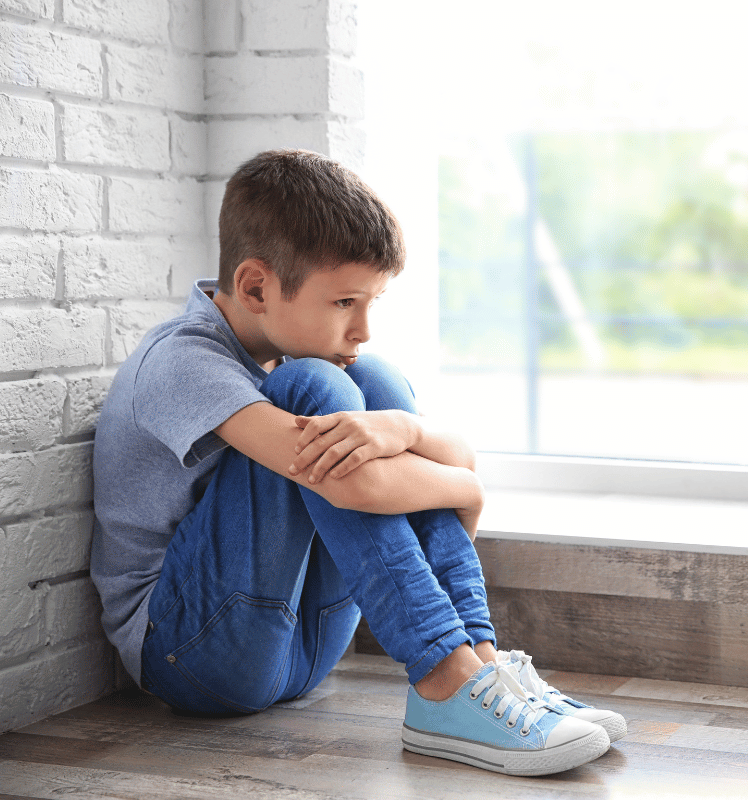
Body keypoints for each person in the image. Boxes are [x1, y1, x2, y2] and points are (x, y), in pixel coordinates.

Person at [89, 149, 626, 777]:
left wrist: (402, 429)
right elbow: (362, 487)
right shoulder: (181, 363)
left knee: (373, 385)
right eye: (345, 302)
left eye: (370, 302)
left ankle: (478, 665)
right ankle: (443, 677)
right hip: (193, 655)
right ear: (256, 286)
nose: (363, 326)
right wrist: (465, 491)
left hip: (302, 647)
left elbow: (452, 455)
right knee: (317, 390)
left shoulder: (298, 350)